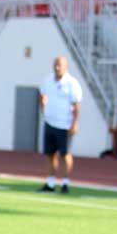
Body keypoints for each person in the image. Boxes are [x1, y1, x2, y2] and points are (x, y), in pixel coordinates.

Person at [39, 56, 82, 194]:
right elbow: (42, 95)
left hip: (64, 125)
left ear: (65, 67)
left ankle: (65, 183)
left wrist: (74, 124)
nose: (57, 68)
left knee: (65, 154)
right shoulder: (48, 80)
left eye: (60, 65)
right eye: (55, 65)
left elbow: (76, 105)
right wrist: (43, 108)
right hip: (50, 122)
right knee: (50, 154)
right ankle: (50, 183)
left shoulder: (72, 83)